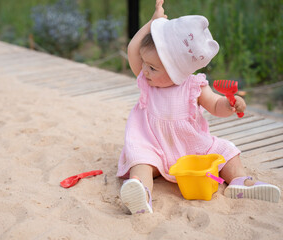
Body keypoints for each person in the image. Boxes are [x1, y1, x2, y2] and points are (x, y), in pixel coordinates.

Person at [117, 0, 281, 215]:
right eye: (145, 64)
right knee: (141, 160)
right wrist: (151, 23)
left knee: (227, 150)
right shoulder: (148, 81)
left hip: (189, 147)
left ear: (177, 71)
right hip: (153, 144)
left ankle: (241, 181)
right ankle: (141, 192)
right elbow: (133, 49)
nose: (144, 71)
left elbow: (215, 106)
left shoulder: (194, 86)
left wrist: (229, 104)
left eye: (152, 68)